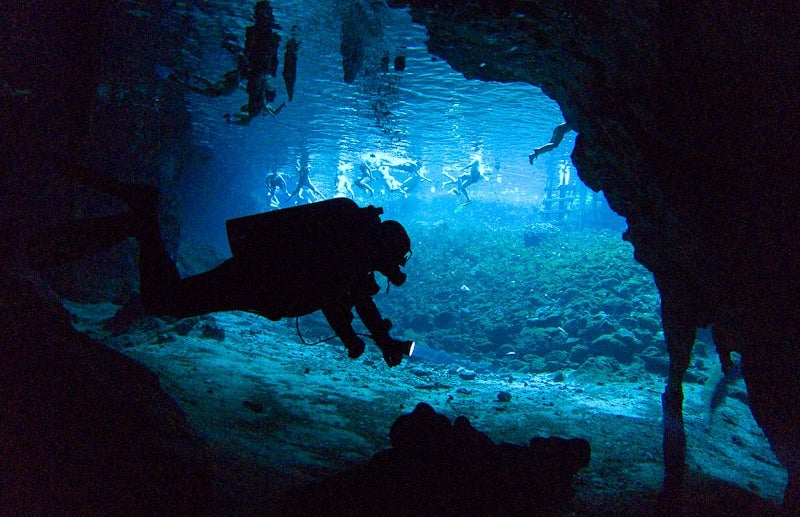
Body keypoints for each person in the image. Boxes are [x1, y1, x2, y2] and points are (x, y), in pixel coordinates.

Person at [31, 160, 415, 367]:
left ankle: (140, 221)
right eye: (394, 260)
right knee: (166, 300)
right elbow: (336, 298)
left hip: (256, 281)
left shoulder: (352, 251)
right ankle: (143, 217)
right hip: (254, 280)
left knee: (169, 300)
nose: (393, 268)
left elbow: (355, 298)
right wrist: (353, 339)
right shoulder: (349, 252)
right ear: (383, 248)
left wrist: (378, 342)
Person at [228, 1, 283, 125]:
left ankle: (262, 12)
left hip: (258, 62)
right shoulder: (259, 100)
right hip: (259, 62)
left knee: (257, 47)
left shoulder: (258, 99)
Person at [170, 55, 248, 97]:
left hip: (223, 88)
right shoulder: (232, 84)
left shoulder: (228, 86)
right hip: (225, 87)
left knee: (201, 88)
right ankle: (183, 78)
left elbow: (211, 85)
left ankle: (182, 78)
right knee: (202, 88)